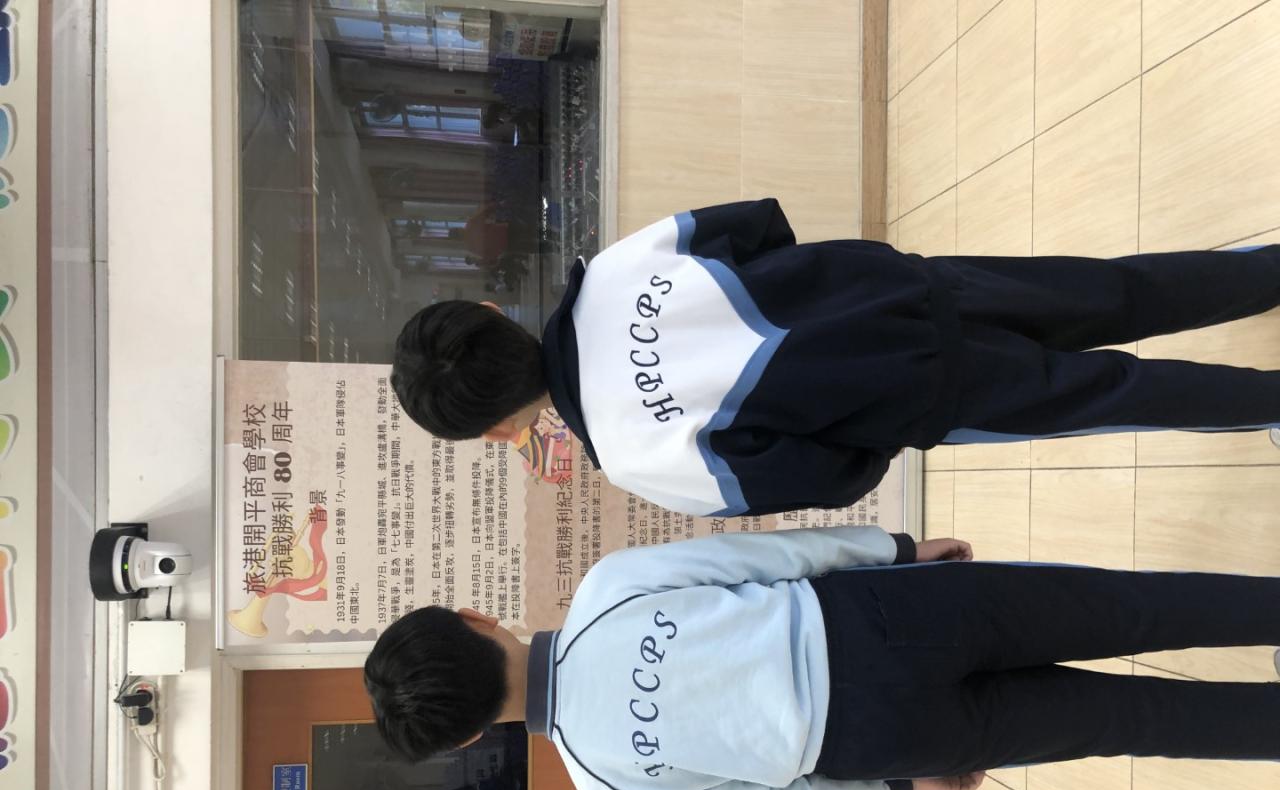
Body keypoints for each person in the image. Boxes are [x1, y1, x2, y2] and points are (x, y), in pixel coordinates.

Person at [391, 198, 1280, 517]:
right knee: (1114, 291)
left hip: (920, 396)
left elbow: (817, 480)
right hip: (915, 289)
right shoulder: (617, 268)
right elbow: (758, 226)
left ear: (498, 430)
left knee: (1116, 394)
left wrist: (870, 419)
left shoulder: (634, 458)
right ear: (491, 311)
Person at [364, 526, 1280, 790]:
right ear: (474, 619)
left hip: (880, 740)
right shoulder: (607, 593)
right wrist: (896, 550)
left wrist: (900, 786)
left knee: (1129, 720)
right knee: (1131, 609)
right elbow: (766, 557)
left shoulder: (608, 786)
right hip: (884, 619)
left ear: (469, 735)